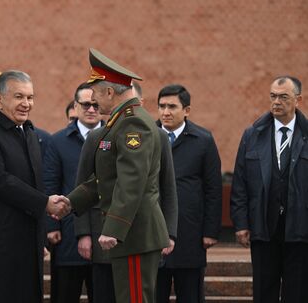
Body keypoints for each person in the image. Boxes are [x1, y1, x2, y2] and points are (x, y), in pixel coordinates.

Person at [67, 48, 168, 303]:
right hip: (130, 235)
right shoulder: (120, 121)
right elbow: (106, 178)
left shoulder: (133, 123)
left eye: (96, 95)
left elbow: (131, 180)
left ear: (110, 92)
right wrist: (71, 202)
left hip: (134, 235)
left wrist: (114, 227)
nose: (95, 102)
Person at [0, 70, 69, 303]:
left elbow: (36, 183)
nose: (26, 103)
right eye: (19, 97)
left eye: (30, 97)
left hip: (28, 243)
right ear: (0, 99)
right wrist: (46, 204)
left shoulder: (29, 133)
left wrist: (42, 233)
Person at [231, 75, 308, 303]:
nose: (276, 102)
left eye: (283, 97)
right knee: (264, 291)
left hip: (300, 230)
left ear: (298, 100)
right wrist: (241, 223)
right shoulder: (253, 135)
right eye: (273, 96)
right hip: (263, 227)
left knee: (298, 292)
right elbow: (240, 184)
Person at [156, 84, 222, 303]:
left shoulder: (202, 140)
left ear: (187, 110)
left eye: (172, 106)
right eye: (162, 106)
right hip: (153, 232)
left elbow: (213, 188)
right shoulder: (146, 137)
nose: (165, 112)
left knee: (190, 295)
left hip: (190, 234)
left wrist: (210, 230)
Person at [44, 83, 102, 303]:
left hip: (104, 232)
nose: (91, 109)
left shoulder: (113, 138)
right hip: (67, 235)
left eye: (96, 104)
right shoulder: (57, 141)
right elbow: (50, 184)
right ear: (76, 106)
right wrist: (52, 226)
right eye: (86, 104)